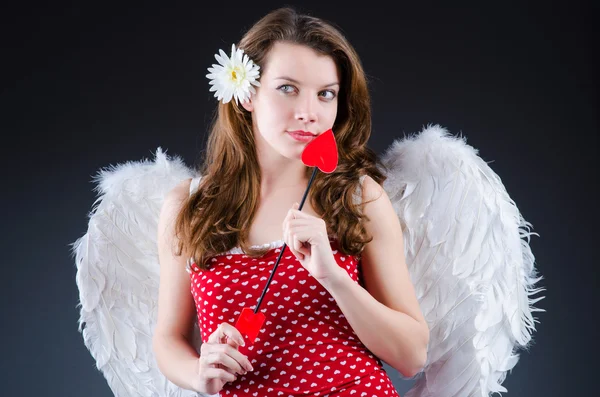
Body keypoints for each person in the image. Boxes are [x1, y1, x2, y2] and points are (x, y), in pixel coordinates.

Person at [152, 6, 429, 396]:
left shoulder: (357, 198)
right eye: (288, 88)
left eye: (326, 94)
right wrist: (198, 372)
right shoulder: (189, 205)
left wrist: (333, 277)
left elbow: (412, 355)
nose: (308, 114)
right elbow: (168, 339)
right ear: (247, 93)